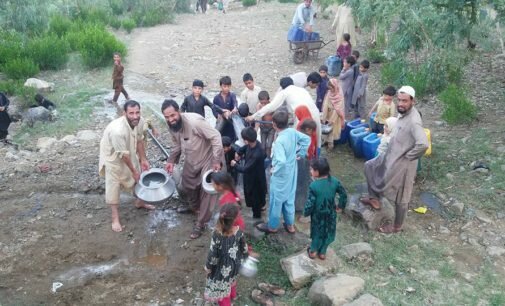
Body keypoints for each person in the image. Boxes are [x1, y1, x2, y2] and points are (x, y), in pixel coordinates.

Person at [361, 86, 429, 233]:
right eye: (399, 100)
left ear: (413, 101)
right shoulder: (402, 113)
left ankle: (397, 226)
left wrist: (409, 157)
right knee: (370, 166)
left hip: (404, 164)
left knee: (402, 196)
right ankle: (375, 199)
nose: (401, 104)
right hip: (390, 155)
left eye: (405, 101)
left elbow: (423, 144)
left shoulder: (414, 121)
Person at [162, 99, 224, 239]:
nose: (171, 119)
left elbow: (216, 137)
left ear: (179, 111)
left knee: (207, 191)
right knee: (187, 184)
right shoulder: (172, 126)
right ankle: (194, 208)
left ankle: (201, 223)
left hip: (209, 158)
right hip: (192, 159)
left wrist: (216, 160)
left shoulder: (195, 121)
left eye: (173, 115)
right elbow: (178, 145)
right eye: (167, 117)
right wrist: (171, 160)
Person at [98, 100, 155, 232]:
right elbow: (123, 156)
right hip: (112, 155)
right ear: (124, 113)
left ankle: (140, 201)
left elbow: (140, 139)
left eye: (137, 112)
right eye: (131, 113)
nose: (135, 116)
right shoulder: (117, 130)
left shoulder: (139, 121)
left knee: (138, 174)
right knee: (114, 183)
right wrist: (134, 171)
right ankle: (115, 218)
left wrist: (143, 159)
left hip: (129, 148)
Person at [256, 110, 310, 234]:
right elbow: (306, 139)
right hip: (292, 171)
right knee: (289, 198)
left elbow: (281, 161)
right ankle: (290, 225)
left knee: (276, 201)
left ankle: (273, 226)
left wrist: (274, 170)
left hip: (281, 175)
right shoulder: (292, 132)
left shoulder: (280, 141)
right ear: (287, 123)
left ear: (274, 124)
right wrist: (300, 153)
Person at [248, 77, 322, 151]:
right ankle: (315, 156)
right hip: (316, 114)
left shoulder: (285, 92)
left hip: (302, 118)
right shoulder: (302, 89)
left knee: (298, 143)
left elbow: (270, 107)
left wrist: (253, 116)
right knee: (316, 139)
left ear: (282, 87)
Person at [204, 203, 248, 306]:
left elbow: (213, 253)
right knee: (232, 280)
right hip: (236, 264)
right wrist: (245, 258)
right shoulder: (239, 231)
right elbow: (244, 248)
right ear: (235, 218)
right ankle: (233, 295)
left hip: (223, 268)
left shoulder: (216, 234)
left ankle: (226, 303)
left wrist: (208, 267)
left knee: (222, 288)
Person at [303, 157, 347, 260]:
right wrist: (340, 206)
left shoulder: (314, 186)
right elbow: (343, 194)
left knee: (317, 232)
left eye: (311, 169)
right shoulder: (335, 181)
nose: (310, 171)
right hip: (331, 213)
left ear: (317, 172)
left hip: (318, 216)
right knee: (328, 232)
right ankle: (322, 252)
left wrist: (306, 212)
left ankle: (313, 251)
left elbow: (310, 202)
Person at [231, 127, 267, 219]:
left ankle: (257, 219)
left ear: (246, 140)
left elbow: (245, 169)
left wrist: (234, 164)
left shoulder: (257, 153)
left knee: (255, 200)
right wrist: (238, 153)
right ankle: (260, 207)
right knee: (255, 198)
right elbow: (244, 148)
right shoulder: (254, 144)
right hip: (252, 177)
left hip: (256, 180)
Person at [321, 78, 345, 150]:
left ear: (335, 87)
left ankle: (330, 145)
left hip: (335, 116)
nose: (330, 90)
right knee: (325, 129)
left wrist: (332, 120)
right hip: (328, 113)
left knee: (332, 130)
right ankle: (325, 141)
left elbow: (338, 109)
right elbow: (325, 103)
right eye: (329, 88)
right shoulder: (329, 93)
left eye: (332, 88)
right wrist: (324, 116)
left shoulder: (339, 96)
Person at [213, 76, 238, 141]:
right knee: (220, 139)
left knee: (232, 140)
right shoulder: (216, 98)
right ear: (221, 86)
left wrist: (235, 108)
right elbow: (214, 109)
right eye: (224, 86)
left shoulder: (232, 95)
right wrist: (217, 115)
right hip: (221, 122)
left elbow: (235, 102)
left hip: (230, 122)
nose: (227, 88)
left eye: (228, 86)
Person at [256, 90, 275, 157]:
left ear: (268, 100)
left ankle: (268, 158)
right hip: (263, 128)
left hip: (271, 128)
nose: (263, 105)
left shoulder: (272, 105)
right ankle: (263, 158)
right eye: (262, 103)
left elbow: (275, 117)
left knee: (269, 146)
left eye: (265, 103)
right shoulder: (258, 106)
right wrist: (255, 130)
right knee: (263, 146)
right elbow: (258, 118)